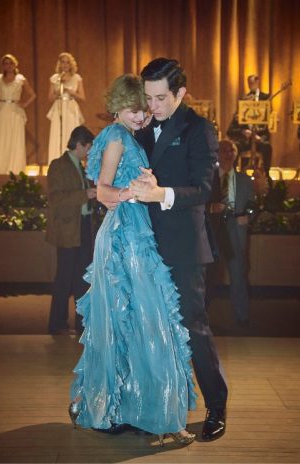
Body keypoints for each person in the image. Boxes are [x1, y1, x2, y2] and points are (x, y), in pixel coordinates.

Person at [68, 74, 197, 446]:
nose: (141, 116)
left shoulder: (128, 136)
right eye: (133, 109)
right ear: (117, 107)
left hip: (134, 230)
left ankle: (140, 410)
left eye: (143, 109)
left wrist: (144, 189)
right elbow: (102, 191)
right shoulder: (115, 137)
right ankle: (155, 416)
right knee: (146, 318)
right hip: (124, 234)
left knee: (140, 320)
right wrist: (133, 191)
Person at [129, 57, 228, 442]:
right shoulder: (139, 128)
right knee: (145, 326)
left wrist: (160, 194)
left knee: (193, 328)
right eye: (148, 97)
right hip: (145, 244)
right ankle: (150, 408)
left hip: (185, 248)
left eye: (160, 98)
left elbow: (205, 189)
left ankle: (216, 406)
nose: (151, 107)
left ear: (181, 93)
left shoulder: (199, 129)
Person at [46, 125, 95, 336]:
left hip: (82, 226)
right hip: (67, 230)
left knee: (82, 278)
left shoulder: (81, 166)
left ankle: (81, 324)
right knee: (64, 280)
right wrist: (86, 194)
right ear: (79, 145)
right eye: (88, 147)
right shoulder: (58, 165)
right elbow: (57, 199)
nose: (89, 152)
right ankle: (57, 324)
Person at [207, 139, 255, 327]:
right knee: (209, 276)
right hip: (215, 231)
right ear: (216, 154)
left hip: (236, 230)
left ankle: (241, 316)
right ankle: (201, 317)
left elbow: (252, 204)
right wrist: (212, 208)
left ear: (235, 155)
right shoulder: (209, 178)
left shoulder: (244, 180)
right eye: (223, 150)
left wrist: (249, 216)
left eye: (230, 151)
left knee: (238, 274)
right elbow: (199, 205)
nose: (227, 154)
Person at [0, 54, 36, 175]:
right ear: (3, 65)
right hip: (1, 111)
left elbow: (32, 95)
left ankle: (14, 169)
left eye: (10, 63)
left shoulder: (20, 79)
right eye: (5, 63)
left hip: (15, 111)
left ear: (15, 64)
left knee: (14, 138)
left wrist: (24, 104)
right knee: (0, 139)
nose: (8, 66)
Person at [226, 74, 272, 178]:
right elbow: (230, 131)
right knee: (234, 147)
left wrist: (260, 138)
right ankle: (233, 175)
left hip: (259, 140)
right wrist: (243, 132)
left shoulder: (264, 106)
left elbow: (267, 130)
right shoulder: (240, 110)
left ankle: (266, 174)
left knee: (267, 146)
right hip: (245, 141)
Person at [47, 52, 85, 164]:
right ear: (59, 64)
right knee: (57, 134)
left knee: (71, 133)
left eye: (67, 62)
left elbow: (82, 98)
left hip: (71, 108)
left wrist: (71, 92)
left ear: (71, 64)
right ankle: (56, 162)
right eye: (62, 62)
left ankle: (73, 163)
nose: (65, 65)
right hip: (58, 107)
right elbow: (50, 98)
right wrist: (58, 92)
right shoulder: (54, 78)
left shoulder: (77, 78)